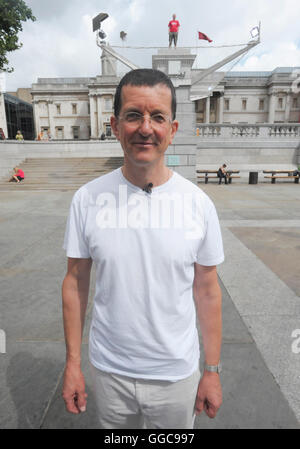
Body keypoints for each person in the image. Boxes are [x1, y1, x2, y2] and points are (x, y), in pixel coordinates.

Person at [62, 68, 224, 429]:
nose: (145, 128)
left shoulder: (198, 204)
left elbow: (208, 291)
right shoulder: (87, 199)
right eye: (133, 115)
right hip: (109, 372)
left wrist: (211, 370)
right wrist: (73, 363)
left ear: (173, 130)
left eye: (158, 117)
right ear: (115, 125)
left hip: (176, 375)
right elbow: (75, 283)